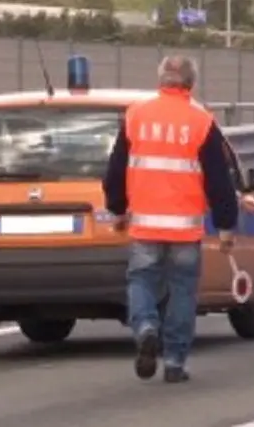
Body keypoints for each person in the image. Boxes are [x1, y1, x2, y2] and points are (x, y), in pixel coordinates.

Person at [102, 55, 239, 383]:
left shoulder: (136, 116)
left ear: (160, 80)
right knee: (182, 291)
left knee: (141, 280)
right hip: (185, 228)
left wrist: (118, 209)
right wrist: (225, 225)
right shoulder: (202, 121)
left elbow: (115, 171)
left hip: (145, 225)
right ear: (191, 83)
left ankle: (146, 327)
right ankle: (175, 361)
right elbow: (220, 180)